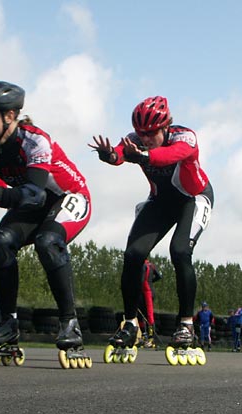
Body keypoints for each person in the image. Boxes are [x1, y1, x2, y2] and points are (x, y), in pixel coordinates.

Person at [0, 81, 92, 353]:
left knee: (48, 241)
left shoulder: (34, 140)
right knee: (1, 241)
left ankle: (70, 322)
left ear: (9, 115)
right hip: (35, 206)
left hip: (69, 197)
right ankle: (8, 323)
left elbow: (33, 194)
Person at [90, 95, 214, 350]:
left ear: (166, 125)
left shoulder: (184, 137)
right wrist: (109, 155)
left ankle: (186, 324)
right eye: (140, 133)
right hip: (161, 202)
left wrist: (144, 157)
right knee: (133, 254)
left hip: (193, 198)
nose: (145, 138)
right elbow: (120, 153)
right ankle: (131, 324)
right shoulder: (137, 141)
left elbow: (171, 155)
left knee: (179, 252)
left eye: (151, 132)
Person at [137, 259, 162, 348]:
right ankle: (146, 336)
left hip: (146, 292)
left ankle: (150, 338)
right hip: (148, 291)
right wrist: (151, 281)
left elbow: (141, 279)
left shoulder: (143, 265)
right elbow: (159, 276)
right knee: (143, 314)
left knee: (146, 315)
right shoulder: (151, 265)